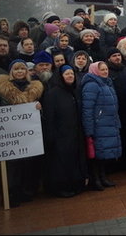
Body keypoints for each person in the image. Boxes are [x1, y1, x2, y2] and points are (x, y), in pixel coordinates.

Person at [0, 60, 43, 206]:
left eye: (22, 69)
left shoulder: (33, 88)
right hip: (10, 135)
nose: (20, 71)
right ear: (11, 72)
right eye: (16, 69)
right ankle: (10, 194)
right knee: (12, 167)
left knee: (26, 165)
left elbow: (38, 114)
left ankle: (24, 192)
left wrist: (39, 107)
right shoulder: (2, 90)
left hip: (27, 136)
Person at [41, 65, 88, 197]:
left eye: (72, 74)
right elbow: (49, 117)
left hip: (75, 133)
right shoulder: (53, 93)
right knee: (61, 162)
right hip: (60, 135)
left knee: (74, 159)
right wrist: (51, 135)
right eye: (67, 74)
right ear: (60, 76)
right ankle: (62, 187)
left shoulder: (75, 90)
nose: (70, 76)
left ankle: (75, 184)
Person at [81, 61, 121, 191]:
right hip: (98, 126)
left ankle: (103, 177)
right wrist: (89, 130)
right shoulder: (91, 85)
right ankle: (96, 180)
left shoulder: (107, 83)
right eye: (102, 70)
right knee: (95, 155)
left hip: (108, 124)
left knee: (102, 154)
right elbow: (87, 110)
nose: (105, 71)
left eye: (106, 69)